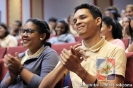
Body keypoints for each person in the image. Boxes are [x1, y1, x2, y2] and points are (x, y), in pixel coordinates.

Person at [39, 3, 127, 88]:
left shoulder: (111, 50)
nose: (77, 23)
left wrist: (78, 69)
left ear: (98, 21)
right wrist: (64, 64)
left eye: (83, 17)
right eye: (75, 21)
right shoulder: (73, 53)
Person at [0, 18, 59, 88]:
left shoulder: (49, 54)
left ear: (42, 36)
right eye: (23, 31)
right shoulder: (20, 56)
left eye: (29, 31)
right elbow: (2, 86)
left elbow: (44, 85)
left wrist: (20, 69)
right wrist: (12, 77)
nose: (24, 35)